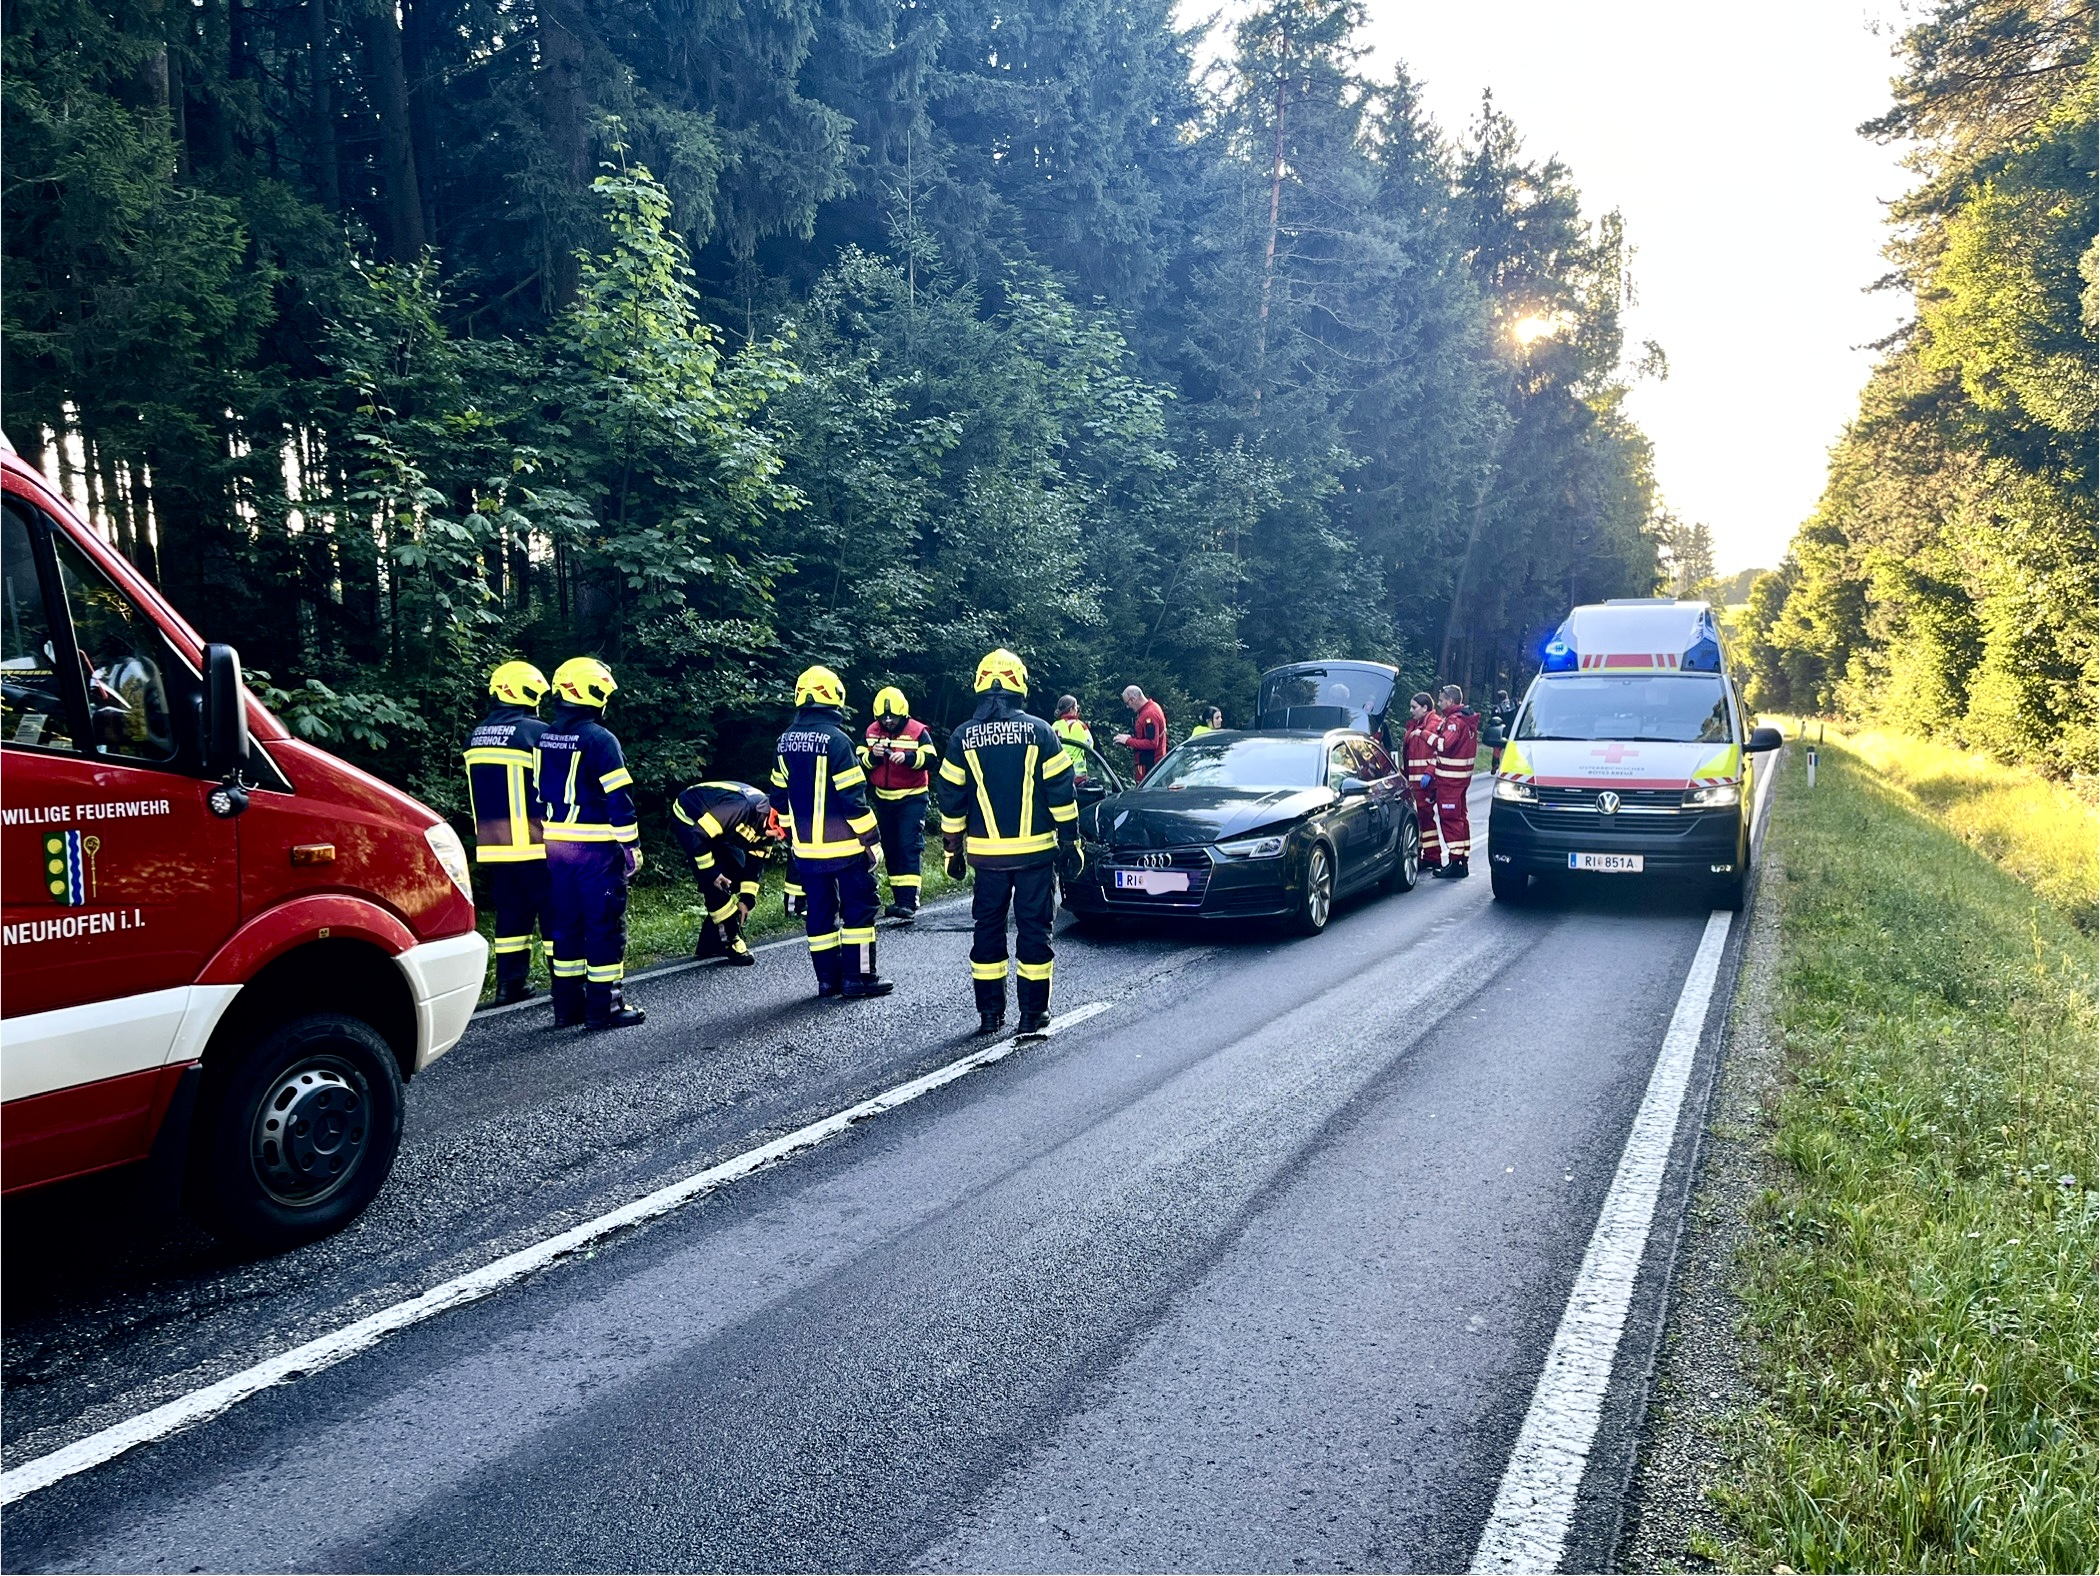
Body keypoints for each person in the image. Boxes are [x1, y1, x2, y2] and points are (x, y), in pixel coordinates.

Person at [937, 649, 1082, 1037]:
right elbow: (1062, 797)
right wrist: (1071, 844)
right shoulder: (1041, 732)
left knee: (987, 929)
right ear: (1020, 685)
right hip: (1035, 856)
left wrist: (952, 851)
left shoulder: (963, 736)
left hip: (987, 858)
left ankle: (989, 1015)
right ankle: (1032, 1015)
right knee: (1035, 930)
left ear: (981, 686)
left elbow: (951, 798)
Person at [535, 658, 646, 1028]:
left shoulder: (544, 736)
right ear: (593, 692)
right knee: (603, 926)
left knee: (565, 925)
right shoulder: (600, 739)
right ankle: (605, 1009)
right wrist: (631, 846)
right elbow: (618, 797)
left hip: (556, 847)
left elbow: (537, 794)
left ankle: (567, 1009)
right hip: (596, 849)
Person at [772, 665, 892, 999]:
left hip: (806, 853)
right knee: (860, 911)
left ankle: (828, 981)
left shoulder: (784, 742)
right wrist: (871, 841)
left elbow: (778, 798)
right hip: (846, 849)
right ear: (835, 698)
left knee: (820, 916)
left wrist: (790, 835)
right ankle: (860, 979)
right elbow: (854, 800)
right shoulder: (838, 742)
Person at [463, 660, 551, 1005]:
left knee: (511, 916)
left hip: (494, 845)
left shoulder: (476, 735)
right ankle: (566, 984)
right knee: (553, 914)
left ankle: (509, 985)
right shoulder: (535, 732)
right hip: (535, 842)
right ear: (527, 692)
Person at [670, 780, 781, 966]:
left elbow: (755, 864)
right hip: (691, 819)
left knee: (736, 872)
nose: (777, 837)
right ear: (769, 819)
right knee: (716, 880)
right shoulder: (740, 809)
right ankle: (730, 939)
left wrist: (747, 899)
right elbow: (697, 835)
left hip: (717, 830)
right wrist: (712, 873)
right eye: (777, 832)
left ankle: (709, 943)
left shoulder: (769, 821)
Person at [862, 686, 937, 921]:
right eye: (884, 717)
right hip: (884, 799)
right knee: (892, 848)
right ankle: (898, 900)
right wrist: (873, 755)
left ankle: (909, 901)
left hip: (912, 797)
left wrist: (908, 758)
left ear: (902, 714)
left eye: (892, 717)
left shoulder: (917, 731)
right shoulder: (872, 731)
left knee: (908, 845)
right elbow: (859, 759)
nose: (888, 721)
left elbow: (931, 758)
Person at [1431, 683, 1481, 879]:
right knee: (1460, 818)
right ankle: (1461, 860)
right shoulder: (1465, 719)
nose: (1439, 703)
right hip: (1460, 779)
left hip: (1451, 780)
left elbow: (1445, 745)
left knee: (1450, 819)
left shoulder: (1455, 722)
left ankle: (1455, 862)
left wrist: (1426, 735)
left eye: (1442, 700)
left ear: (1450, 701)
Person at [1400, 691, 1444, 871]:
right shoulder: (1416, 725)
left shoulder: (1435, 725)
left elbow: (1440, 752)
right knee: (1419, 819)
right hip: (1414, 782)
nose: (1411, 711)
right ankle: (1422, 854)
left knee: (1425, 819)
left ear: (1425, 708)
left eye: (1414, 707)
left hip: (1426, 782)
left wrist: (1430, 772)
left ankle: (1433, 856)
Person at [1115, 685, 1168, 781]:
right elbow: (1145, 736)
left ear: (1133, 699)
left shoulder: (1149, 714)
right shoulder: (1152, 708)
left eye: (1127, 703)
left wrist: (1128, 741)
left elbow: (1152, 743)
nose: (1128, 707)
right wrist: (1129, 738)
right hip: (1153, 767)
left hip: (1150, 768)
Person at [1052, 695, 1094, 777]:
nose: (1077, 709)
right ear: (1071, 709)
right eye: (1076, 707)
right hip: (1077, 775)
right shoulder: (1078, 725)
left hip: (1058, 774)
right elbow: (1090, 745)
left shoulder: (1054, 726)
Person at [1487, 688, 1516, 772]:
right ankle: (1511, 765)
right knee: (1511, 748)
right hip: (1512, 730)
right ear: (1506, 696)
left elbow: (1493, 720)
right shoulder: (1514, 704)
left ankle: (1495, 764)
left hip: (1501, 731)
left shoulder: (1497, 708)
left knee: (1497, 748)